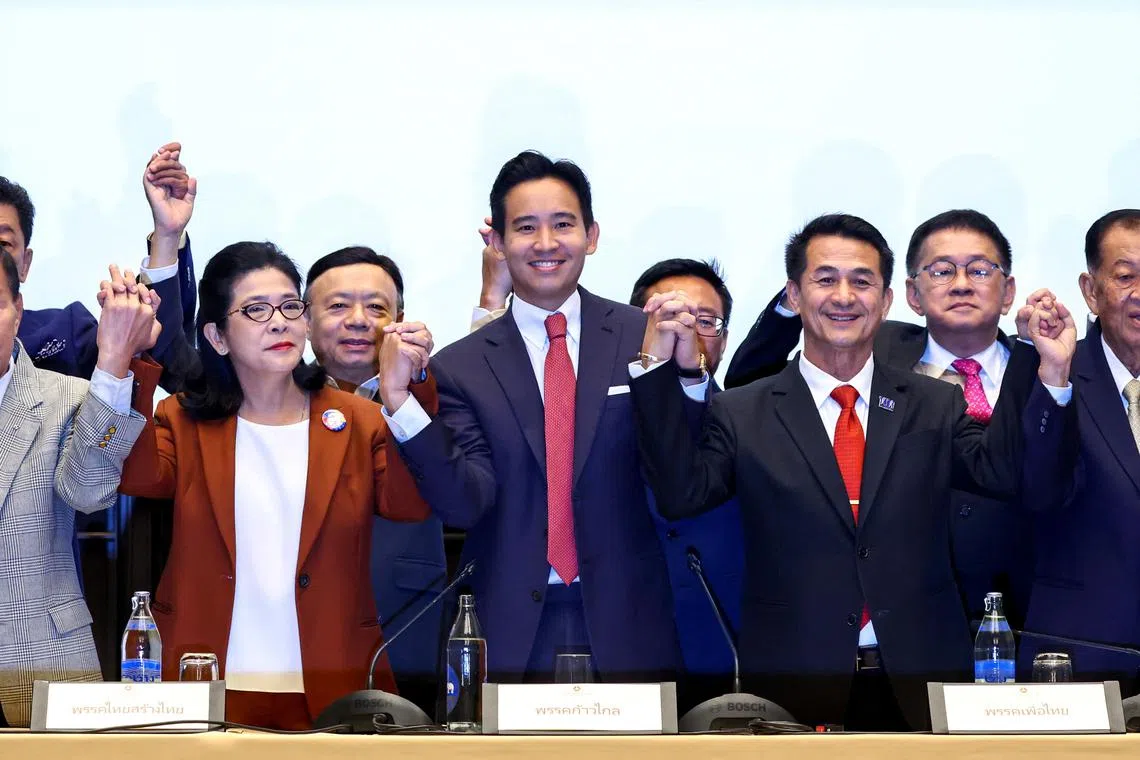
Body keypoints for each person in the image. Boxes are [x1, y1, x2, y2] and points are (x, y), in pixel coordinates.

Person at [630, 213, 1076, 730]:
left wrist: (1031, 359)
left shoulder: (935, 403)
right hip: (792, 682)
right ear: (794, 296)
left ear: (886, 301)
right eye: (825, 279)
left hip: (923, 680)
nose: (844, 296)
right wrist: (654, 371)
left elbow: (1000, 473)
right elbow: (682, 495)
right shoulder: (744, 410)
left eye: (862, 281)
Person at [382, 150, 684, 684]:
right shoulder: (461, 366)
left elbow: (676, 478)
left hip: (628, 621)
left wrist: (671, 371)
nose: (546, 244)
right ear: (497, 243)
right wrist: (402, 405)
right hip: (508, 628)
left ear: (591, 235)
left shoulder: (643, 337)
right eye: (525, 228)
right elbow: (464, 501)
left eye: (562, 224)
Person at [116, 242, 437, 729]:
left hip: (333, 685)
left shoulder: (360, 420)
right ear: (218, 336)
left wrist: (408, 390)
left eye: (291, 307)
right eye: (256, 310)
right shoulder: (183, 419)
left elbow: (411, 505)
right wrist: (130, 359)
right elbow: (136, 477)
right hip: (204, 680)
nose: (280, 321)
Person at [723, 209, 1033, 626]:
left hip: (1015, 601)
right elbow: (752, 381)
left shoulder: (1044, 366)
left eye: (978, 270)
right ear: (910, 294)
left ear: (1008, 290)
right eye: (941, 271)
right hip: (891, 605)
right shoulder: (868, 342)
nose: (960, 285)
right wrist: (804, 297)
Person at [0, 252, 158, 728]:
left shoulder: (68, 397)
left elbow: (87, 492)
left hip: (42, 656)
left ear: (19, 309)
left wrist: (111, 363)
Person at [303, 246, 447, 712]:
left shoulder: (437, 391)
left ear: (400, 320)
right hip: (292, 626)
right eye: (339, 306)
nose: (360, 320)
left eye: (377, 308)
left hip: (403, 619)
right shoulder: (269, 395)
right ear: (303, 319)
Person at [1019, 209, 1140, 692]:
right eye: (1126, 276)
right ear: (1090, 290)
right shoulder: (1046, 368)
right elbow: (1039, 492)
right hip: (1081, 656)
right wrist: (1056, 378)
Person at [627, 258, 744, 706]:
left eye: (705, 320)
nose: (685, 330)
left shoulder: (751, 420)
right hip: (622, 650)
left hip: (727, 649)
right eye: (669, 316)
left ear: (724, 339)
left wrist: (691, 378)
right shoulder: (592, 415)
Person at [1, 143, 197, 381]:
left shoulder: (66, 331)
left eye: (3, 244)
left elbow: (163, 365)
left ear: (25, 263)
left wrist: (166, 236)